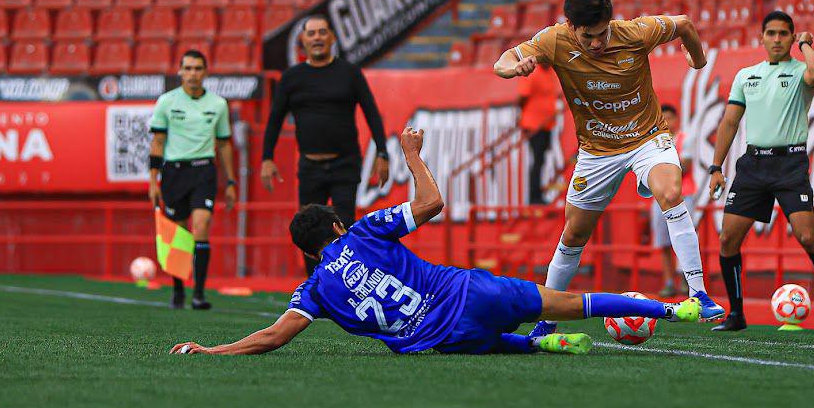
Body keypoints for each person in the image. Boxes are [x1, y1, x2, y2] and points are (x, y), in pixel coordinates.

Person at [168, 128, 702, 357]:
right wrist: (412, 154)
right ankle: (673, 306)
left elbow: (273, 338)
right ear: (334, 227)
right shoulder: (363, 230)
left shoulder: (312, 292)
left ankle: (540, 344)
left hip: (441, 341)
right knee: (568, 303)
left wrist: (213, 350)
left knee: (487, 342)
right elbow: (431, 204)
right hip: (468, 295)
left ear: (308, 253)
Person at [493, 0, 724, 335]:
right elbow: (504, 59)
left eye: (603, 33)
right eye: (589, 36)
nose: (598, 43)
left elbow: (685, 24)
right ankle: (548, 320)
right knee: (574, 234)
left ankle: (700, 294)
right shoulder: (554, 40)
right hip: (597, 152)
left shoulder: (635, 32)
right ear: (570, 26)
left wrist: (698, 59)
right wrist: (512, 68)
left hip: (648, 138)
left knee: (671, 193)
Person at [708, 11, 814, 332]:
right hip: (752, 166)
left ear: (792, 37)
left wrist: (805, 45)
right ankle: (736, 314)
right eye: (771, 34)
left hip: (789, 164)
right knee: (727, 239)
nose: (777, 39)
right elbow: (730, 123)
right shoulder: (746, 75)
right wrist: (715, 167)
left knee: (807, 236)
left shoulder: (803, 71)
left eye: (783, 34)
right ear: (761, 38)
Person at [261, 16, 390, 277]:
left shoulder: (350, 73)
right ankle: (316, 287)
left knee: (343, 227)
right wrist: (267, 158)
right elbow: (274, 119)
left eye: (322, 32)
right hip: (310, 167)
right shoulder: (292, 77)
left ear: (332, 37)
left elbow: (372, 113)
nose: (317, 37)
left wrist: (383, 153)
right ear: (303, 41)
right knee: (309, 230)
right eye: (311, 34)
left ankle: (346, 284)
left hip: (345, 164)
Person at [148, 50, 236, 310]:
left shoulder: (218, 104)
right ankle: (177, 290)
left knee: (202, 224)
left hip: (204, 170)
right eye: (187, 68)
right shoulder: (166, 102)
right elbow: (157, 142)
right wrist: (153, 182)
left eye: (197, 68)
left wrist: (230, 181)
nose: (192, 74)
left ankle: (198, 294)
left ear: (205, 72)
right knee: (179, 232)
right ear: (180, 72)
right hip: (175, 172)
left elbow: (224, 144)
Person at [650, 104, 696, 296]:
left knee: (684, 237)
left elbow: (685, 166)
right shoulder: (654, 142)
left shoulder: (686, 138)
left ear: (677, 120)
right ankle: (669, 281)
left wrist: (663, 168)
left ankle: (687, 280)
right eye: (663, 118)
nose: (667, 123)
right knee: (663, 241)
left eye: (670, 118)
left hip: (683, 194)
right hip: (660, 196)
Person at [518, 63, 560, 204]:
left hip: (547, 124)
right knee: (537, 160)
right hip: (533, 124)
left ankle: (538, 194)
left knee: (541, 160)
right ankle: (534, 196)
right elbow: (522, 96)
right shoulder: (533, 73)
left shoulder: (552, 73)